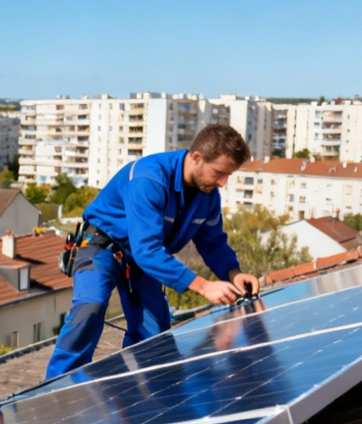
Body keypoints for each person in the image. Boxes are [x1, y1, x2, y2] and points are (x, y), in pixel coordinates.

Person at [45, 123, 261, 380]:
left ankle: (134, 391)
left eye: (228, 175)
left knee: (155, 332)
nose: (223, 183)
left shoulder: (208, 195)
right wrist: (203, 286)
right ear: (197, 158)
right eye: (219, 173)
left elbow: (213, 244)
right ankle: (58, 386)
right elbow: (147, 249)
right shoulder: (149, 178)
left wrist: (233, 273)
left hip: (144, 258)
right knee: (90, 307)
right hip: (102, 245)